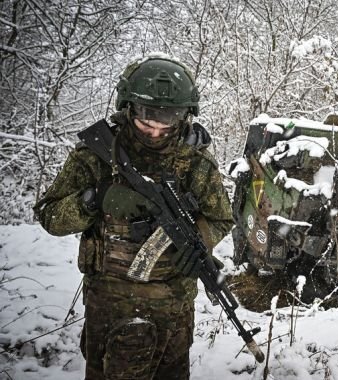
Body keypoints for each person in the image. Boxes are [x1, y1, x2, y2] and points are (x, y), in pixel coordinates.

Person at [34, 53, 234, 379]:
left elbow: (222, 219)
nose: (155, 133)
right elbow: (49, 215)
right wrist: (95, 199)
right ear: (127, 107)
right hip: (110, 307)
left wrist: (194, 241)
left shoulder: (196, 162)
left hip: (174, 311)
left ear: (184, 117)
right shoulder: (97, 154)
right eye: (145, 123)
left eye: (165, 125)